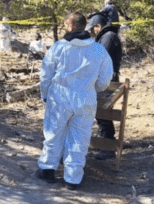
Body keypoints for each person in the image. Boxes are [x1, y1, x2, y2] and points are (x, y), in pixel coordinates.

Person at [36, 12, 113, 190]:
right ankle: (72, 178)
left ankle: (48, 169)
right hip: (85, 97)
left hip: (60, 96)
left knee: (54, 133)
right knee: (80, 137)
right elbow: (105, 78)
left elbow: (46, 75)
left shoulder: (59, 47)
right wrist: (93, 88)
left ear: (70, 26)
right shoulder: (98, 49)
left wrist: (46, 94)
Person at [86, 12, 123, 160]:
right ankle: (105, 143)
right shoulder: (106, 37)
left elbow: (100, 59)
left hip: (107, 82)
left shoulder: (108, 37)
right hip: (105, 81)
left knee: (103, 113)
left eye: (93, 28)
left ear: (98, 26)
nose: (91, 32)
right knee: (101, 113)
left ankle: (107, 147)